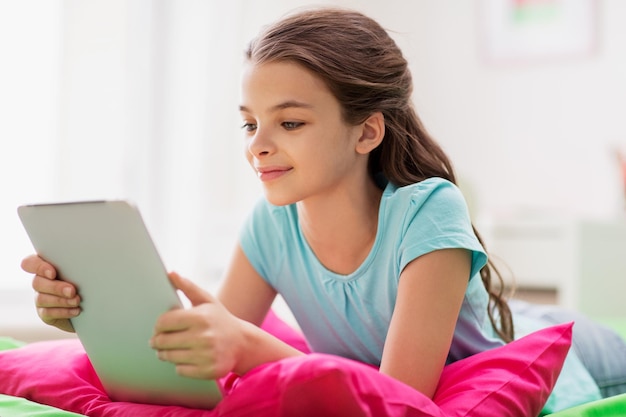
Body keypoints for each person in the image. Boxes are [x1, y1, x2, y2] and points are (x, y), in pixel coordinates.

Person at [21, 6, 626, 410]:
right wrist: (87, 313)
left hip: (556, 346)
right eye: (249, 123)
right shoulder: (270, 223)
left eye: (289, 122)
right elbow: (207, 356)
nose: (258, 143)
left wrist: (252, 348)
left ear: (366, 133)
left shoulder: (428, 212)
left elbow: (399, 398)